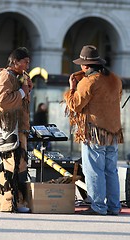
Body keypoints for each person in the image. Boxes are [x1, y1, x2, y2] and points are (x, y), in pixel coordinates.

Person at [64, 45, 124, 216]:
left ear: (85, 65)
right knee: (110, 170)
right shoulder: (115, 79)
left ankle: (98, 206)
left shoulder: (88, 81)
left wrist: (72, 88)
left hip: (95, 132)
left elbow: (75, 105)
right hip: (113, 131)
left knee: (94, 169)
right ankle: (114, 207)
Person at [0, 47, 33, 213]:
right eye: (25, 62)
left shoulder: (17, 76)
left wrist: (26, 89)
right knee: (11, 166)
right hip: (9, 129)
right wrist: (22, 91)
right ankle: (11, 203)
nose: (27, 65)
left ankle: (15, 202)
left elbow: (20, 102)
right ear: (15, 62)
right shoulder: (6, 76)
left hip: (18, 128)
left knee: (18, 166)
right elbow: (3, 102)